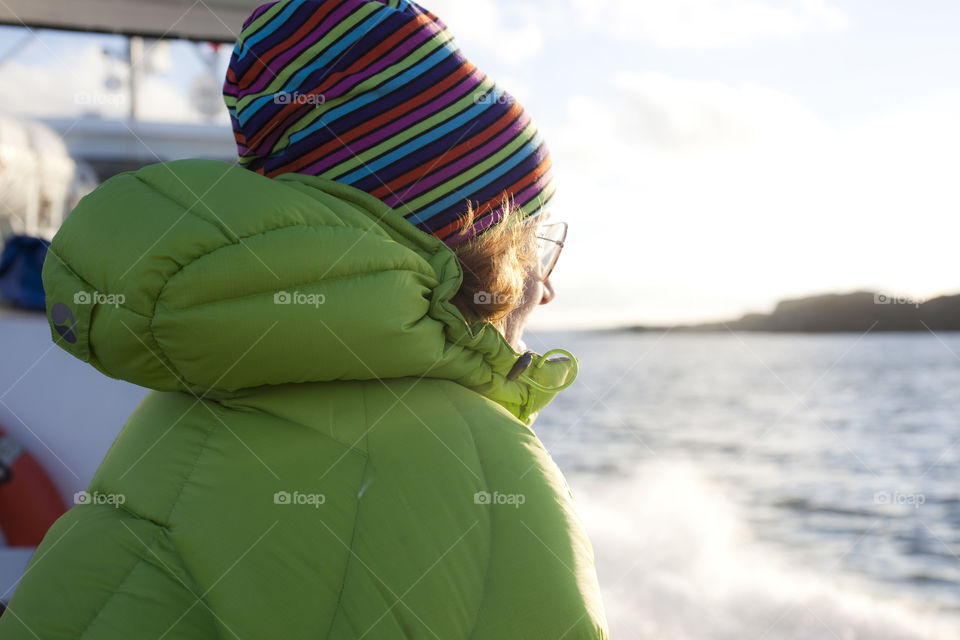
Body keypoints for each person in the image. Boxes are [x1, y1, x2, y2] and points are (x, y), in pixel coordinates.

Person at [0, 0, 609, 637]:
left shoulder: (174, 419)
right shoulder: (490, 474)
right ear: (480, 255)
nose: (548, 291)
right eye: (537, 244)